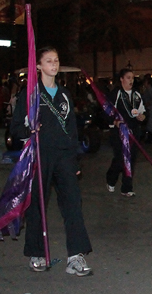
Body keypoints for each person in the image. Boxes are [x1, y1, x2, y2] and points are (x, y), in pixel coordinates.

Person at [10, 46, 93, 275]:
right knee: (37, 205)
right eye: (48, 61)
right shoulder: (30, 94)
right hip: (40, 155)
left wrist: (75, 160)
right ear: (38, 66)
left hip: (64, 156)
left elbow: (72, 129)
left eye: (56, 60)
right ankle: (36, 252)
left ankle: (76, 256)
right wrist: (30, 129)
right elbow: (16, 128)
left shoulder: (64, 94)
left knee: (73, 204)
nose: (54, 65)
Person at [107, 68, 146, 196]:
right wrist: (115, 122)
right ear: (121, 79)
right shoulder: (116, 94)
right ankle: (111, 178)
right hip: (119, 132)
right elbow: (107, 111)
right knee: (120, 159)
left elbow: (142, 111)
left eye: (132, 78)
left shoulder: (136, 95)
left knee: (131, 158)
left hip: (133, 131)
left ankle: (127, 187)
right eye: (128, 78)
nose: (131, 81)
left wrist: (142, 117)